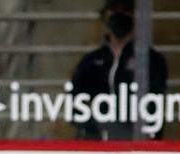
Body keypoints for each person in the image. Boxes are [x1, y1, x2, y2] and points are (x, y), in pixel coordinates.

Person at [69, 0, 168, 140]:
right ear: (105, 15)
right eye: (114, 10)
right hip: (96, 144)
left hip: (137, 143)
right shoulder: (91, 61)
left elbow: (154, 104)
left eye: (125, 10)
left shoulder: (151, 60)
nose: (120, 15)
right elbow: (76, 105)